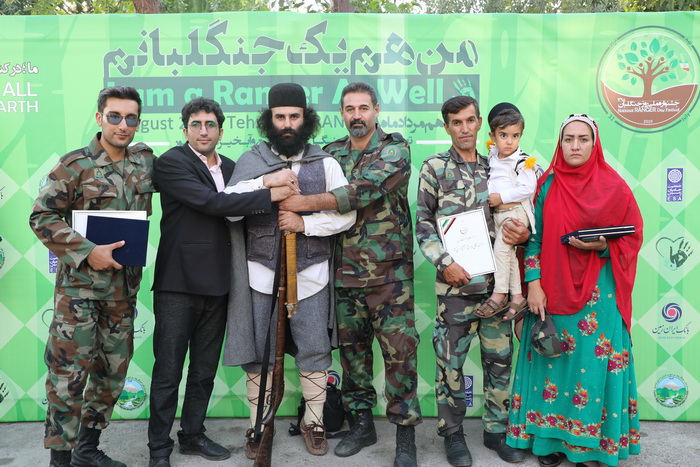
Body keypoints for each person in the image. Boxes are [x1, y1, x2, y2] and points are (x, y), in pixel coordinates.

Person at [278, 82, 421, 467]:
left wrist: (301, 203)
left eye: (363, 108)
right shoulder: (332, 153)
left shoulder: (394, 149)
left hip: (391, 279)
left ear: (376, 110)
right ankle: (362, 425)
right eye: (349, 109)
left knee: (400, 356)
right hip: (343, 276)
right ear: (342, 113)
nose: (357, 115)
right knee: (354, 359)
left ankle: (405, 436)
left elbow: (361, 192)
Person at [147, 97, 295, 467]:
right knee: (168, 372)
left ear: (221, 130)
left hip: (220, 282)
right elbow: (213, 203)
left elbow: (237, 208)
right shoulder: (171, 163)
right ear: (185, 130)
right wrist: (270, 190)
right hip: (178, 282)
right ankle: (159, 449)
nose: (203, 131)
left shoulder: (231, 167)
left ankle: (192, 435)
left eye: (210, 124)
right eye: (196, 124)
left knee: (203, 371)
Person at [222, 82, 355, 458]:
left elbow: (346, 215)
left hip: (311, 276)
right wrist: (265, 184)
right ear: (269, 119)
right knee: (258, 354)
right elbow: (227, 207)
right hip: (260, 276)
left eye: (294, 116)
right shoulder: (252, 161)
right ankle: (257, 426)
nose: (287, 123)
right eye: (280, 116)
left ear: (305, 119)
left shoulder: (326, 163)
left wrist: (304, 224)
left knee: (314, 349)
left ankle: (314, 422)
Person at [506, 114, 643, 467]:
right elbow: (533, 239)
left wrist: (603, 246)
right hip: (552, 290)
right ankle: (548, 441)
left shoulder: (615, 187)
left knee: (592, 367)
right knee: (554, 362)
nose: (575, 146)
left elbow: (632, 238)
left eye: (583, 139)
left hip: (601, 295)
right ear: (560, 144)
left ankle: (590, 447)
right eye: (568, 139)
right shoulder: (548, 185)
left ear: (594, 144)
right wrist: (534, 284)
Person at [29, 86, 156, 467]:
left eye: (130, 118)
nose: (123, 125)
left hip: (122, 295)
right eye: (114, 116)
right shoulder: (75, 165)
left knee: (111, 376)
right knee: (68, 378)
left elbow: (189, 179)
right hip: (79, 296)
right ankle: (60, 461)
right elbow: (42, 216)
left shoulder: (145, 162)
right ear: (100, 118)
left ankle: (86, 450)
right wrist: (88, 251)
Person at [415, 96, 529, 467]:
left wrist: (524, 233)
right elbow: (423, 224)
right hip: (455, 292)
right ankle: (453, 436)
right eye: (456, 122)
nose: (464, 128)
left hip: (496, 290)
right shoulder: (434, 168)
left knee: (500, 363)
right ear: (447, 126)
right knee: (450, 367)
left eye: (469, 120)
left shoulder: (497, 166)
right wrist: (444, 263)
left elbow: (518, 210)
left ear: (480, 123)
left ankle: (497, 432)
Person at [475, 104, 537, 321]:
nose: (509, 141)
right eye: (503, 135)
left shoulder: (522, 161)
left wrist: (501, 197)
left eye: (515, 136)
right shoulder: (493, 155)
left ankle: (500, 293)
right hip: (500, 215)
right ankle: (517, 296)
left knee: (500, 251)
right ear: (492, 136)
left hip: (515, 213)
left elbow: (528, 188)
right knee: (508, 255)